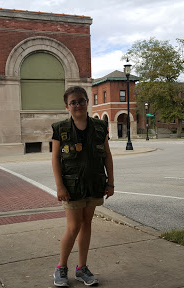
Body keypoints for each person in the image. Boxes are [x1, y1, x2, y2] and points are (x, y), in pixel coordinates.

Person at [51, 86, 114, 287]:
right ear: (67, 106)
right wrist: (60, 186)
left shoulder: (100, 127)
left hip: (95, 183)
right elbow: (55, 158)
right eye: (73, 102)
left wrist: (110, 182)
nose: (78, 105)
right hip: (72, 186)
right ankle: (61, 267)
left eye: (81, 100)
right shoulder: (60, 129)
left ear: (87, 102)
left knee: (87, 224)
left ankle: (82, 268)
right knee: (73, 226)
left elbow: (107, 155)